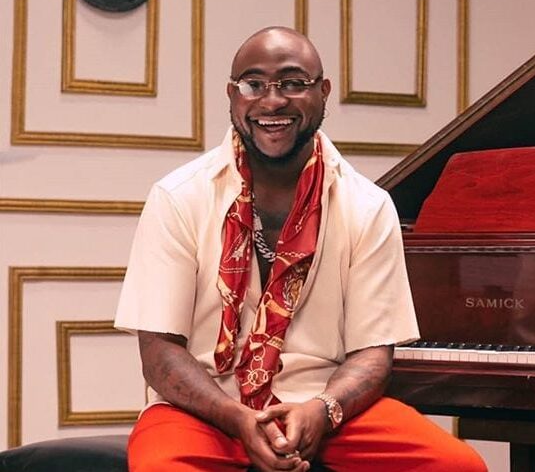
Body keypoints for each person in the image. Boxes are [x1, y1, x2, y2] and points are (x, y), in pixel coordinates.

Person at [115, 26, 487, 472]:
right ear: (232, 95)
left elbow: (373, 353)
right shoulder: (177, 197)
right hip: (206, 410)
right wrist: (236, 418)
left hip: (323, 405)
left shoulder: (367, 206)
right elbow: (159, 350)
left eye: (293, 83)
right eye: (253, 85)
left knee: (456, 466)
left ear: (323, 92)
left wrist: (322, 410)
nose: (272, 101)